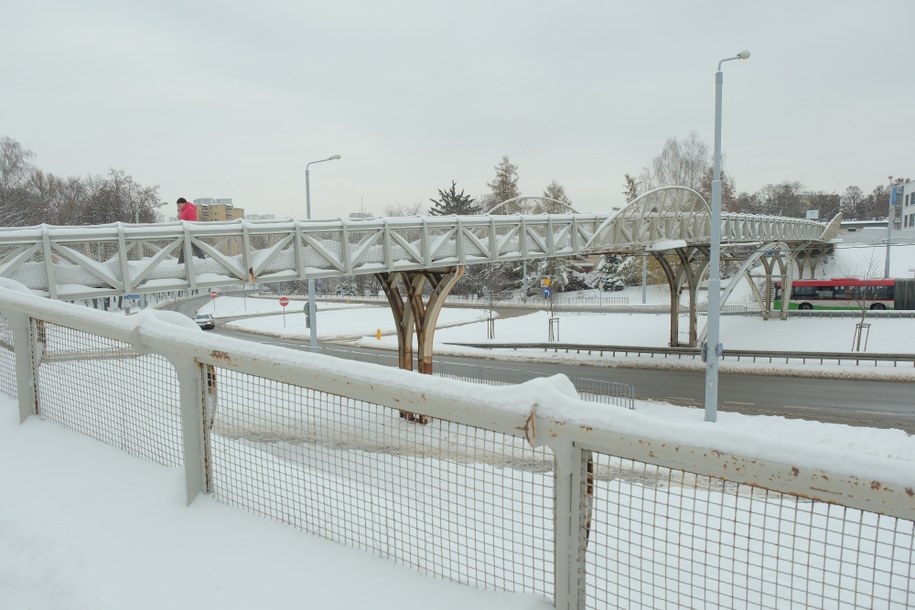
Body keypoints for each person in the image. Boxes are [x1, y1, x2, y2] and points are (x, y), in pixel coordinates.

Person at [176, 197, 206, 262]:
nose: (178, 207)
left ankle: (203, 261)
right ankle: (181, 262)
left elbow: (192, 221)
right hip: (186, 233)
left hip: (191, 233)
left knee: (195, 247)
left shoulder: (189, 209)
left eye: (178, 205)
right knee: (185, 248)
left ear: (183, 203)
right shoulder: (184, 210)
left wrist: (189, 230)